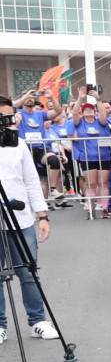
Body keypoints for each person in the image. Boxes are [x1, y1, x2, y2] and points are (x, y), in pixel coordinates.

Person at [0, 97, 59, 342]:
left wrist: (42, 214)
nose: (5, 124)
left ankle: (38, 321)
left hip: (21, 219)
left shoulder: (19, 145)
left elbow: (32, 183)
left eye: (7, 118)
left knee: (29, 272)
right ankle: (0, 325)